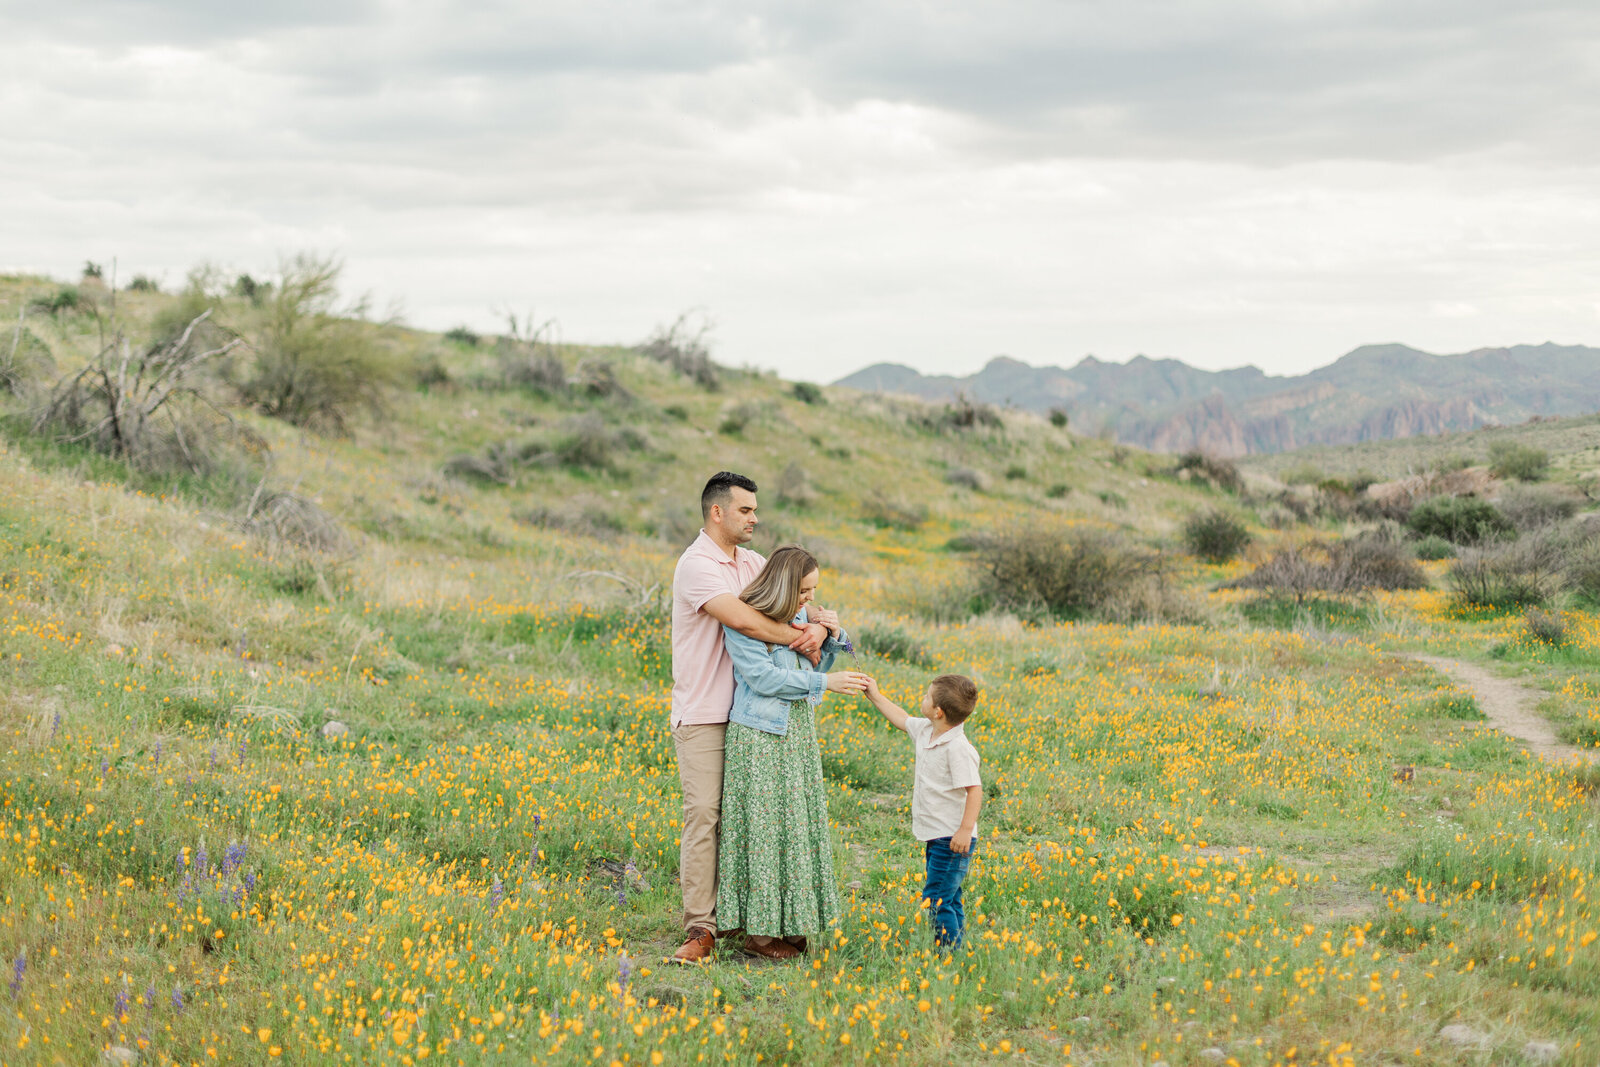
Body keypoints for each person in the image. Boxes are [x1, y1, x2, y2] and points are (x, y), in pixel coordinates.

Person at [669, 472, 831, 963]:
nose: (754, 518)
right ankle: (701, 928)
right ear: (717, 511)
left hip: (755, 716)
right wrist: (800, 637)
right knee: (706, 816)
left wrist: (822, 629)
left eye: (755, 510)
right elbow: (742, 620)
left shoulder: (755, 563)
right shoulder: (697, 565)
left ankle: (751, 919)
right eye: (745, 510)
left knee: (752, 820)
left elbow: (804, 606)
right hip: (705, 710)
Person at [717, 546, 870, 959]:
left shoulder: (800, 616)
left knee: (795, 828)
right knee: (763, 832)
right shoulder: (745, 619)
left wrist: (833, 635)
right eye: (803, 590)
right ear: (783, 585)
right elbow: (763, 678)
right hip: (760, 735)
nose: (809, 598)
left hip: (797, 732)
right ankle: (758, 934)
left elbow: (813, 668)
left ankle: (789, 921)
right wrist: (826, 684)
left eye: (813, 590)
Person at [862, 673, 983, 951]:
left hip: (953, 838)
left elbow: (974, 790)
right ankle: (957, 950)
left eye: (927, 696)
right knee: (949, 896)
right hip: (937, 835)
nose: (923, 698)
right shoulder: (929, 730)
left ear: (938, 711)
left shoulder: (957, 748)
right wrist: (875, 695)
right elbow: (902, 719)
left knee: (937, 899)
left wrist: (965, 830)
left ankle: (947, 954)